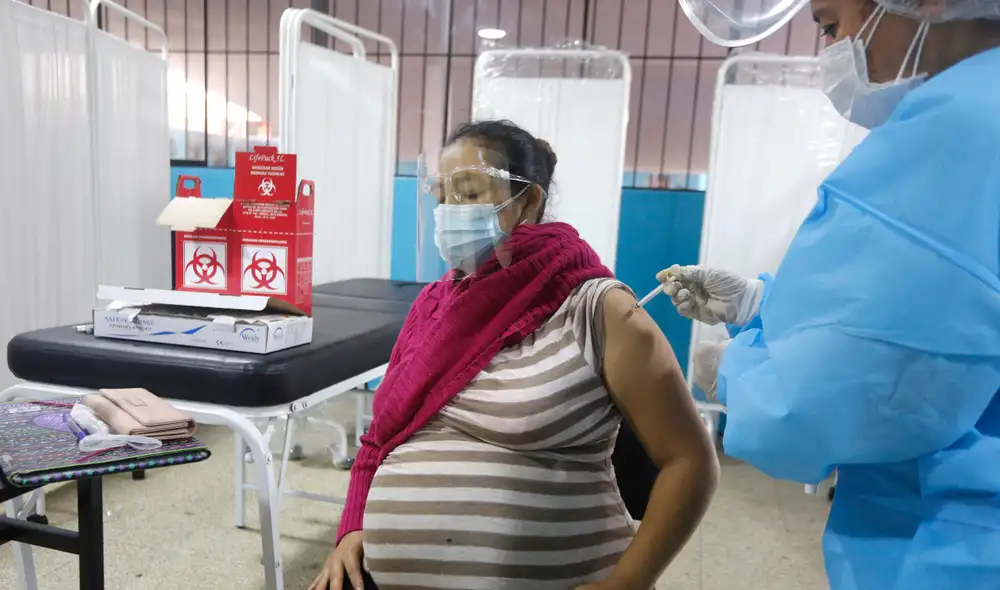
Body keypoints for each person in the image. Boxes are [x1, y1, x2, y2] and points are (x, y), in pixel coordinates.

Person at [659, 0, 1000, 588]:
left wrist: (735, 372)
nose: (832, 53)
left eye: (830, 25)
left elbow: (826, 403)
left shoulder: (962, 129)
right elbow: (937, 323)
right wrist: (758, 308)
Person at [309, 120, 719, 590]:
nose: (449, 212)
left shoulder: (599, 309)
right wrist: (352, 528)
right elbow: (380, 436)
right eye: (442, 196)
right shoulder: (435, 306)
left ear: (527, 202)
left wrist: (626, 583)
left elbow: (690, 460)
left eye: (468, 193)